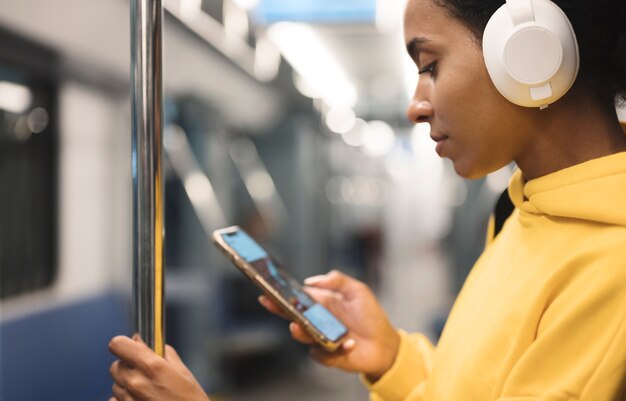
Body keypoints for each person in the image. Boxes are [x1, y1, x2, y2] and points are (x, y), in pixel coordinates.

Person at [108, 0, 626, 399]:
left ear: (528, 52)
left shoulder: (611, 269)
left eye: (430, 65)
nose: (415, 106)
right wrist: (394, 357)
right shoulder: (525, 210)